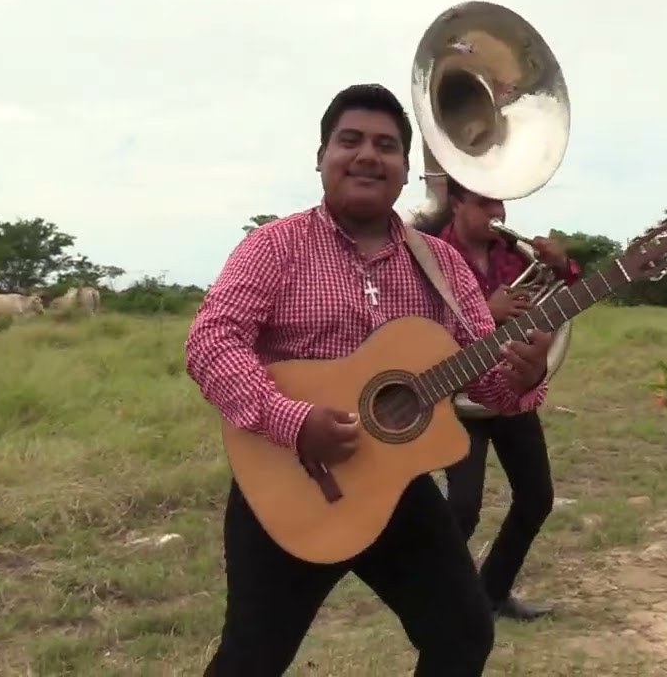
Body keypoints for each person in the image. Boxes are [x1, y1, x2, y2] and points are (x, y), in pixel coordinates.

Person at [184, 83, 556, 676]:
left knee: (463, 635)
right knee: (250, 661)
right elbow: (211, 342)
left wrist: (523, 376)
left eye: (386, 145)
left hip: (394, 485)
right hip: (288, 483)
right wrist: (295, 421)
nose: (367, 155)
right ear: (321, 157)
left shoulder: (440, 263)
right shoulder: (273, 247)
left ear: (406, 170)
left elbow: (484, 386)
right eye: (349, 140)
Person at [412, 179, 580, 622]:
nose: (499, 213)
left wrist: (565, 270)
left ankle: (493, 593)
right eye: (487, 202)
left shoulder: (512, 255)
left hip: (511, 393)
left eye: (501, 201)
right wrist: (485, 312)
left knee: (536, 498)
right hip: (458, 399)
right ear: (457, 203)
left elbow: (561, 304)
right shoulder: (429, 256)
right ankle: (440, 597)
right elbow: (415, 332)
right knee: (462, 509)